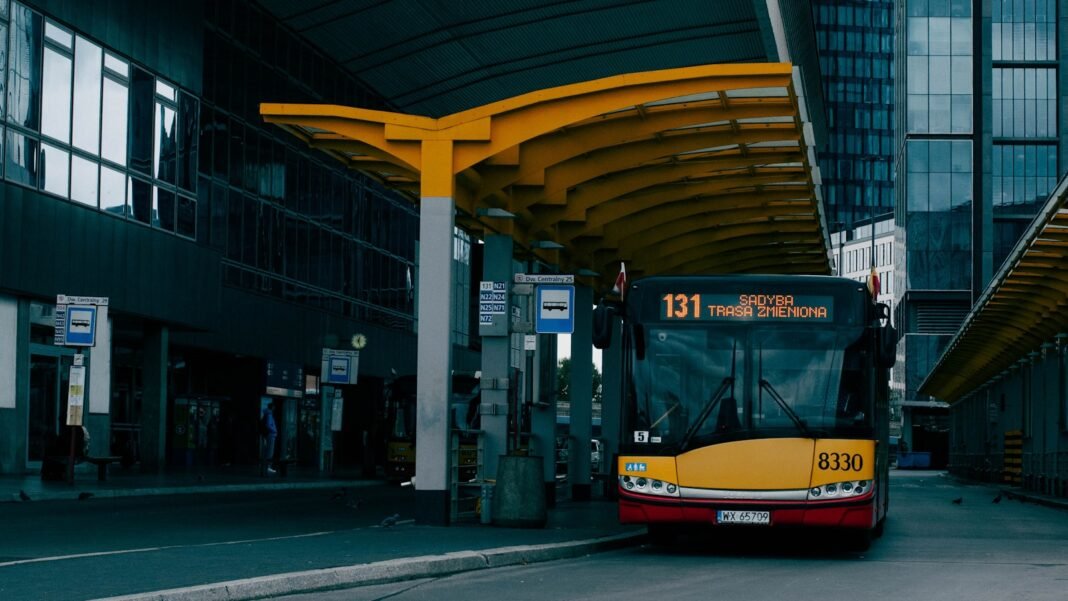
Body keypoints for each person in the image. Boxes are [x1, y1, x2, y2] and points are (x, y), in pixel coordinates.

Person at [260, 401, 278, 475]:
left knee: (267, 451)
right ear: (272, 407)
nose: (275, 408)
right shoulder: (269, 414)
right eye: (274, 407)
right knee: (270, 452)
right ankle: (268, 467)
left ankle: (266, 467)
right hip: (271, 435)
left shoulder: (266, 414)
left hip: (268, 435)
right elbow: (268, 425)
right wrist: (274, 430)